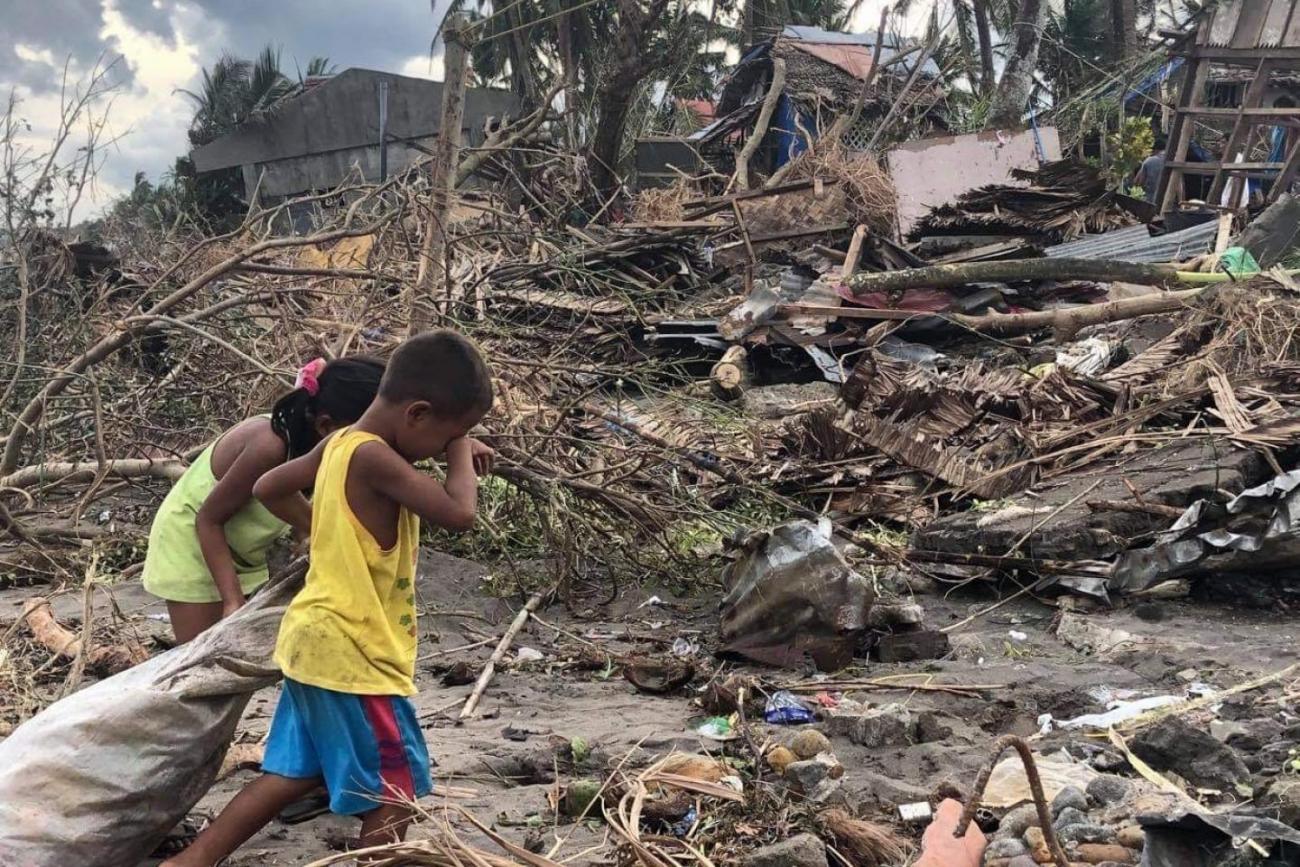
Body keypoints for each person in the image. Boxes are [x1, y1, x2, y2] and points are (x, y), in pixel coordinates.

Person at [161, 330, 495, 867]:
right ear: (417, 414)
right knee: (395, 791)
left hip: (312, 644)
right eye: (449, 434)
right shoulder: (374, 459)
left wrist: (325, 528)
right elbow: (460, 513)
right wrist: (459, 448)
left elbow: (269, 485)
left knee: (290, 773)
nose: (447, 446)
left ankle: (191, 862)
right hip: (353, 657)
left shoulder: (336, 445)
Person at [142, 356, 385, 643]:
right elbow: (208, 519)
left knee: (239, 660)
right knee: (201, 660)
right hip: (193, 545)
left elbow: (294, 506)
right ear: (325, 424)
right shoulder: (269, 445)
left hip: (241, 554)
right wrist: (232, 601)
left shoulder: (317, 449)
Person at [1133, 135, 1168, 203]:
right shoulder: (1173, 160)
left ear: (1155, 149)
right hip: (1168, 201)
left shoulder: (1149, 161)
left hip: (1151, 200)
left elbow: (1139, 183)